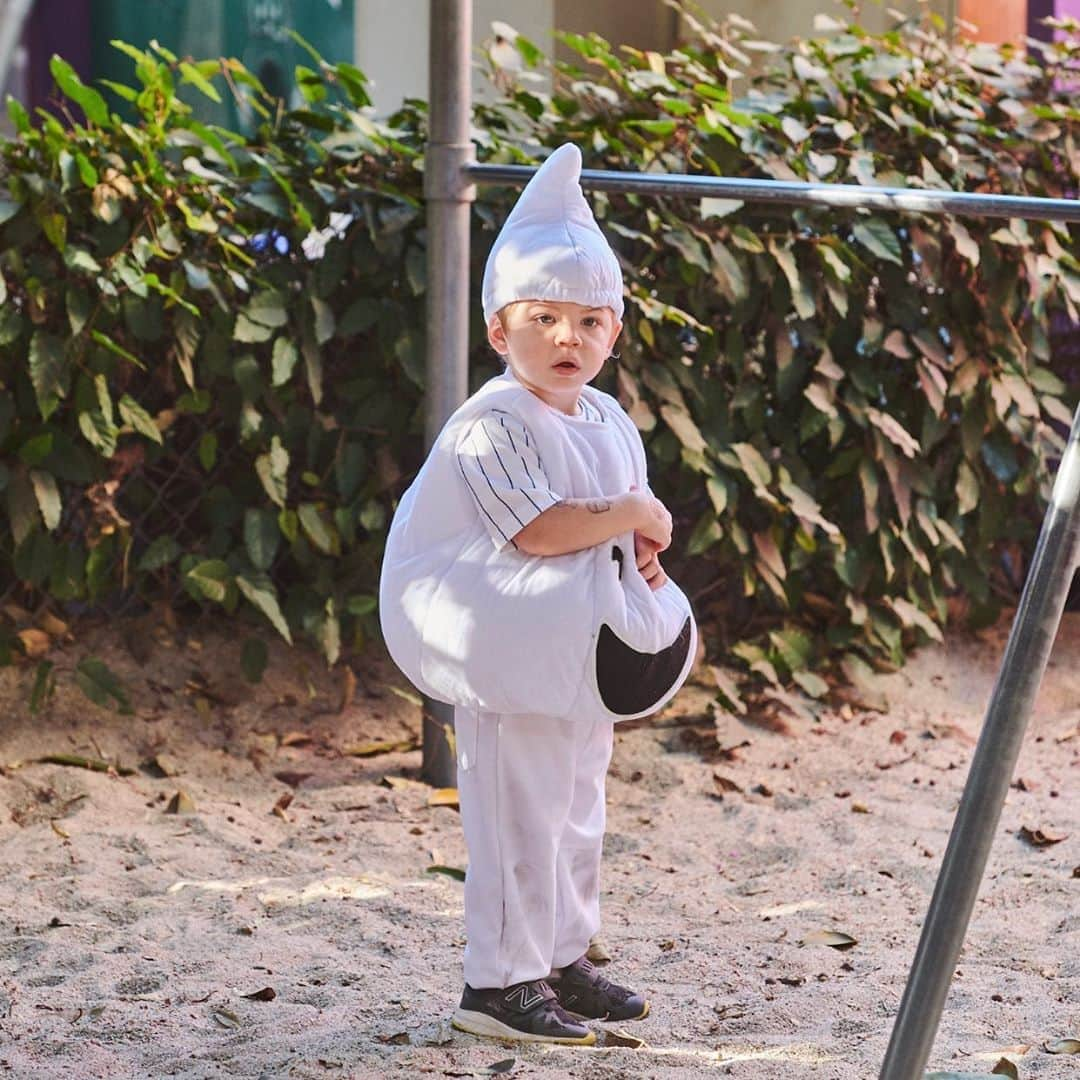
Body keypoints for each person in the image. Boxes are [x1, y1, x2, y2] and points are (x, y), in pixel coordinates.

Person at [379, 143, 697, 1046]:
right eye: (544, 317)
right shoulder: (492, 424)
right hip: (497, 641)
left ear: (615, 333)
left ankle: (563, 955)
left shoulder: (605, 419)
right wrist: (632, 510)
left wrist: (644, 569)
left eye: (590, 321)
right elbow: (540, 530)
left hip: (571, 647)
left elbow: (620, 544)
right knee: (518, 801)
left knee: (578, 795)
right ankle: (499, 982)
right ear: (498, 329)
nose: (569, 338)